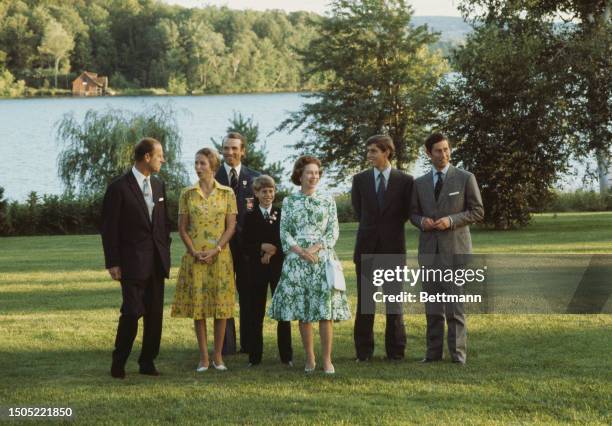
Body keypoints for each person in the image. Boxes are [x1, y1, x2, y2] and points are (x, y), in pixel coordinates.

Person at [268, 156, 351, 374]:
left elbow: (333, 231)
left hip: (322, 259)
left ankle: (327, 360)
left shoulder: (327, 200)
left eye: (316, 173)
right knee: (304, 311)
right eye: (309, 173)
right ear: (300, 175)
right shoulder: (289, 201)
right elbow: (284, 231)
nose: (313, 176)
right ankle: (310, 359)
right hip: (297, 261)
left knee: (325, 311)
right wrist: (301, 252)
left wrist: (314, 249)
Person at [410, 133, 484, 365]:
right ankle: (432, 354)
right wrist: (422, 222)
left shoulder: (465, 178)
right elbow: (413, 213)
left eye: (446, 149)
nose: (444, 154)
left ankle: (458, 355)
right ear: (428, 153)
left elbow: (477, 211)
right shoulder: (419, 183)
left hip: (455, 251)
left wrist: (451, 221)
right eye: (438, 151)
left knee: (455, 307)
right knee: (432, 308)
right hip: (429, 252)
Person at [101, 137, 172, 379]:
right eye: (159, 154)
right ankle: (118, 362)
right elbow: (109, 228)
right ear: (147, 157)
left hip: (156, 262)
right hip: (131, 263)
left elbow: (162, 225)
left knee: (154, 316)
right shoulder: (119, 187)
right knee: (132, 312)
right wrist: (112, 262)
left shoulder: (160, 186)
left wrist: (165, 251)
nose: (163, 159)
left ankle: (147, 362)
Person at [171, 148, 237, 371]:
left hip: (220, 258)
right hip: (195, 258)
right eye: (196, 163)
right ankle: (203, 357)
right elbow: (182, 228)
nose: (198, 168)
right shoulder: (187, 194)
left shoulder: (227, 193)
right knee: (198, 308)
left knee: (220, 308)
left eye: (202, 164)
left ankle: (218, 356)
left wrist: (216, 249)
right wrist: (194, 251)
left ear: (213, 166)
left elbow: (231, 227)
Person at [351, 135, 413, 362]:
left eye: (373, 151)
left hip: (393, 249)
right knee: (366, 302)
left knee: (394, 303)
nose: (369, 155)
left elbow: (407, 212)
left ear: (386, 152)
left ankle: (396, 352)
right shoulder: (360, 180)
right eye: (368, 151)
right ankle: (363, 352)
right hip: (366, 248)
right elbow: (359, 211)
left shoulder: (405, 181)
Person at [214, 132, 260, 355]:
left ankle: (249, 344)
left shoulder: (255, 178)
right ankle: (226, 345)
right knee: (223, 295)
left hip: (248, 249)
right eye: (226, 148)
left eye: (234, 148)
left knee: (248, 295)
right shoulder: (212, 178)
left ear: (243, 151)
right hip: (220, 247)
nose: (230, 152)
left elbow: (261, 214)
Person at [242, 175, 293, 367]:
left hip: (278, 268)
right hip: (256, 270)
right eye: (264, 191)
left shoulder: (282, 214)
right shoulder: (250, 216)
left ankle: (286, 356)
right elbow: (245, 244)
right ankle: (254, 357)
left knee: (282, 311)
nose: (268, 195)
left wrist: (272, 252)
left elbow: (286, 240)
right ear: (256, 193)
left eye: (271, 191)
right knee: (256, 313)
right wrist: (261, 248)